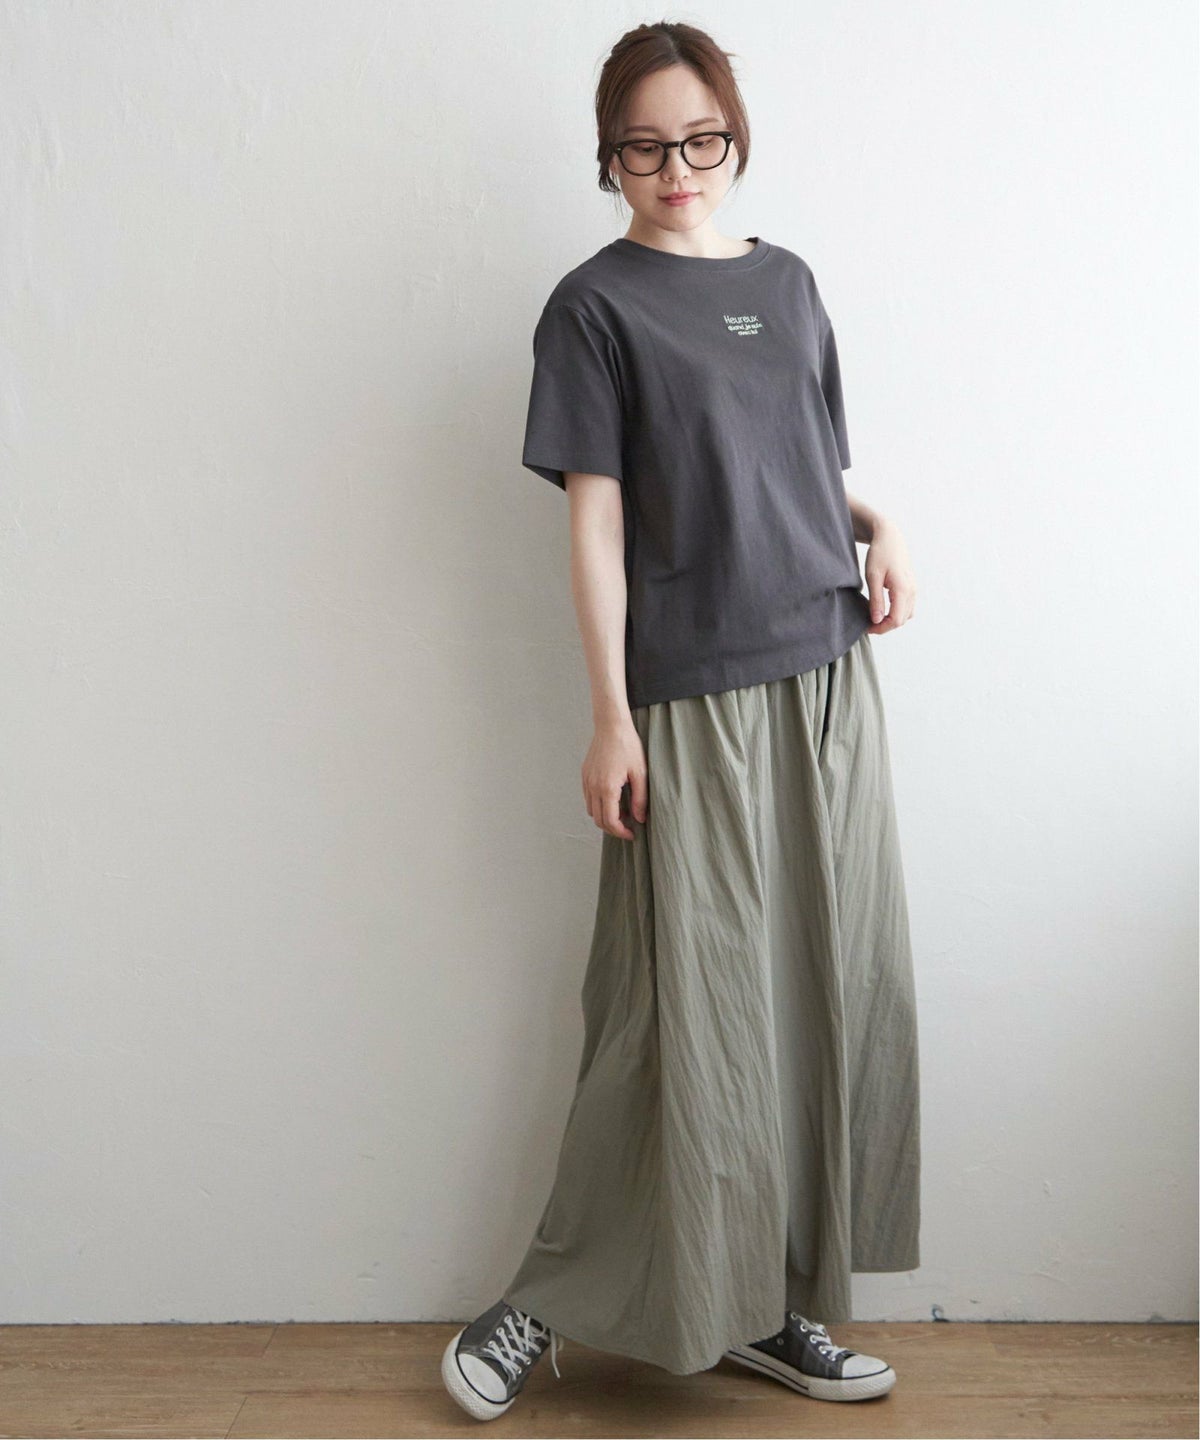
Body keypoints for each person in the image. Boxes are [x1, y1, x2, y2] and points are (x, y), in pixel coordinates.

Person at [442, 20, 921, 1423]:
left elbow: (799, 465)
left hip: (826, 676)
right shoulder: (592, 309)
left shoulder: (789, 282)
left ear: (736, 137)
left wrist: (883, 522)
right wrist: (611, 716)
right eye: (644, 146)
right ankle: (540, 1301)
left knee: (814, 996)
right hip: (691, 696)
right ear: (608, 157)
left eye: (700, 138)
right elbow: (597, 527)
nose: (676, 168)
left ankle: (762, 1306)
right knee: (672, 1012)